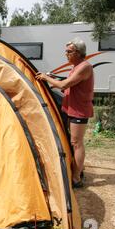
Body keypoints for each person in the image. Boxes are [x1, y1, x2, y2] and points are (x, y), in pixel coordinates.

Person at [35, 38, 94, 188]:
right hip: (71, 107)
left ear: (78, 52)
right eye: (66, 51)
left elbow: (65, 84)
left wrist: (46, 77)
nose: (65, 54)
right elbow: (70, 86)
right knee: (72, 141)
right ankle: (77, 169)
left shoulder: (84, 67)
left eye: (69, 51)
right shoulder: (75, 67)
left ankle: (76, 178)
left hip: (79, 110)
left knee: (76, 143)